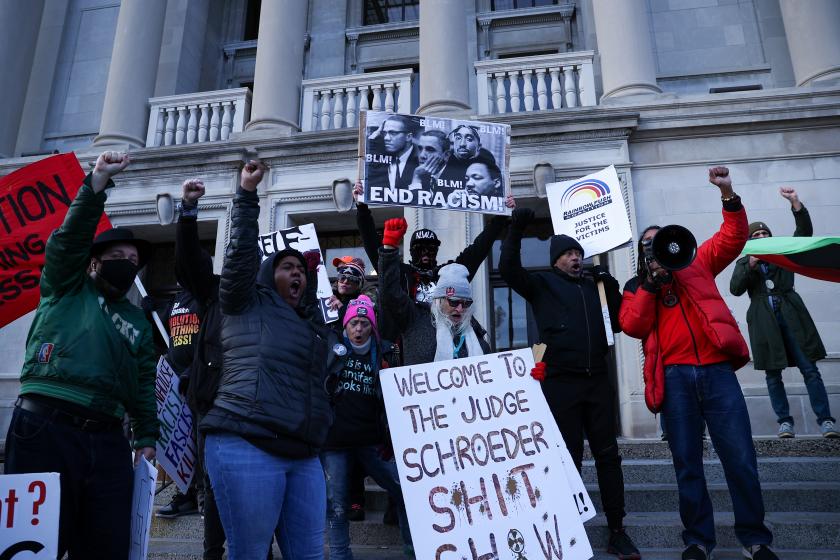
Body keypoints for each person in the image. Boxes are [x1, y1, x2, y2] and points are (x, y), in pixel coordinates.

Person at [4, 151, 158, 558]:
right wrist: (97, 185)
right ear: (93, 263)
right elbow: (69, 238)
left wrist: (146, 436)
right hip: (44, 427)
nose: (126, 265)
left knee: (106, 545)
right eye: (117, 258)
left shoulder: (138, 322)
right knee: (35, 549)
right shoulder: (65, 285)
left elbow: (143, 384)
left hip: (107, 438)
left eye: (133, 262)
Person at [619, 167, 778, 560]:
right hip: (674, 380)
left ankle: (755, 539)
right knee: (687, 464)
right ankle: (697, 540)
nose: (654, 247)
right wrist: (652, 287)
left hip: (717, 373)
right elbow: (632, 326)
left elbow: (733, 238)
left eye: (660, 241)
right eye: (647, 244)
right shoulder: (637, 287)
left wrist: (727, 193)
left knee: (740, 456)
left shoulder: (697, 264)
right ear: (642, 254)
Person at [200, 161, 340, 560]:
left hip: (304, 455)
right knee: (250, 553)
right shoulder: (246, 302)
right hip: (247, 442)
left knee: (311, 554)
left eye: (301, 270)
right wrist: (247, 196)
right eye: (287, 267)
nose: (297, 274)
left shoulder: (313, 326)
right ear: (267, 275)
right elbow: (241, 255)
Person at [499, 208, 641, 560]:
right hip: (562, 384)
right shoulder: (542, 284)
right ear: (555, 261)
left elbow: (619, 325)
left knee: (608, 456)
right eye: (567, 254)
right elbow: (508, 270)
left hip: (597, 383)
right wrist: (517, 227)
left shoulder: (595, 285)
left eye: (578, 252)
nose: (575, 258)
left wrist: (610, 284)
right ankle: (566, 526)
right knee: (568, 458)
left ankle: (617, 530)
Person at [730, 187, 837, 439]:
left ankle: (826, 421)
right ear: (750, 240)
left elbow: (803, 236)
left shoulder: (782, 254)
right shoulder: (745, 261)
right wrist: (751, 265)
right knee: (772, 374)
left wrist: (795, 203)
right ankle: (785, 422)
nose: (761, 236)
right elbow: (735, 289)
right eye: (756, 234)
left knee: (809, 368)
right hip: (764, 321)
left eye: (765, 233)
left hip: (792, 315)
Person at [321, 295, 413, 559]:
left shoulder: (385, 352)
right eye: (353, 324)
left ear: (372, 326)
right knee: (336, 506)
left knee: (405, 489)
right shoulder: (332, 347)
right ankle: (340, 556)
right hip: (335, 442)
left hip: (374, 441)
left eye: (363, 323)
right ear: (345, 326)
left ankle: (413, 549)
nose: (358, 330)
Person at [379, 218, 490, 365]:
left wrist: (500, 218)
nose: (460, 308)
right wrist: (389, 247)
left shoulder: (478, 339)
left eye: (466, 303)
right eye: (454, 301)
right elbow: (390, 292)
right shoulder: (415, 320)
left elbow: (478, 251)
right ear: (439, 299)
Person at [366, 114, 419, 191]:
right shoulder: (382, 159)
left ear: (408, 137)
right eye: (384, 133)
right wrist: (373, 138)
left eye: (393, 133)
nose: (386, 138)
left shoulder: (421, 163)